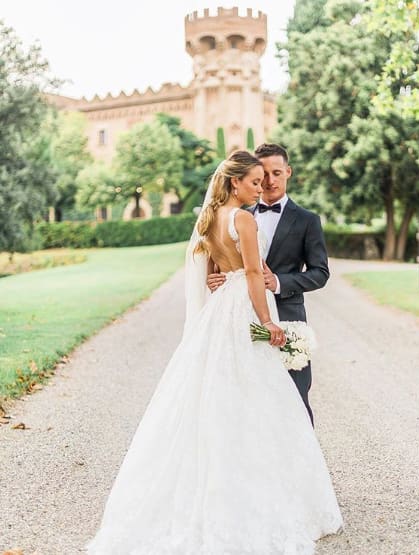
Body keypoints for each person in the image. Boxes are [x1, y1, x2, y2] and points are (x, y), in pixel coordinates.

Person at [85, 151, 343, 555]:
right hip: (248, 308)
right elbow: (253, 272)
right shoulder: (244, 218)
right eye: (254, 180)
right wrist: (267, 320)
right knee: (263, 399)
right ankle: (264, 496)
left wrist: (224, 278)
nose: (261, 186)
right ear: (235, 181)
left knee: (218, 396)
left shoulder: (208, 219)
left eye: (268, 178)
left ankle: (219, 489)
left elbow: (213, 272)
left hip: (221, 312)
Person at [207, 144, 329, 425]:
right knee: (247, 399)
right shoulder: (238, 213)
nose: (269, 182)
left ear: (288, 172)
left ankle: (303, 453)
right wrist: (213, 277)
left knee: (295, 398)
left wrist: (278, 282)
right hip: (241, 320)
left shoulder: (307, 220)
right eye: (263, 176)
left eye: (277, 173)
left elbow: (320, 273)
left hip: (286, 317)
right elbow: (219, 257)